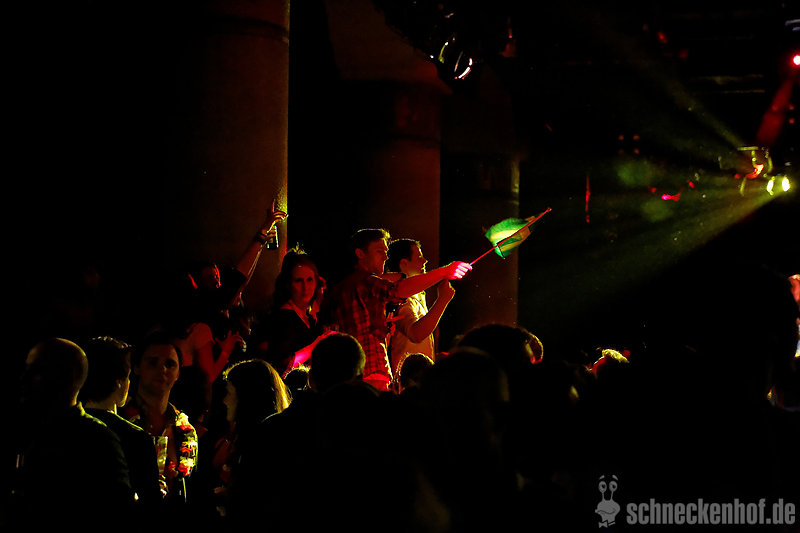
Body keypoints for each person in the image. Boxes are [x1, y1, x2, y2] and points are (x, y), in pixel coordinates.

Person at [318, 228, 472, 391]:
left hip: (358, 375)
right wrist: (444, 273)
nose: (385, 257)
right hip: (370, 373)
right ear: (360, 253)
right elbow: (397, 292)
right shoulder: (364, 282)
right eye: (379, 251)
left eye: (385, 252)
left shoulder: (349, 287)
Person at [9, 338, 134, 531]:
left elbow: (118, 513)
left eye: (36, 371)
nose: (24, 379)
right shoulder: (27, 429)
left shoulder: (97, 441)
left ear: (67, 376)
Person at [194, 359, 291, 524]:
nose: (225, 400)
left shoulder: (262, 447)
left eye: (229, 393)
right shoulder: (255, 440)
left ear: (246, 398)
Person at [80, 336, 163, 509]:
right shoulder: (136, 439)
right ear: (118, 382)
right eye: (128, 376)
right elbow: (151, 506)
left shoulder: (64, 427)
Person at [122, 331, 199, 505]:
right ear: (137, 367)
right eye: (153, 362)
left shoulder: (185, 430)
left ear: (178, 373)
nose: (162, 369)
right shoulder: (120, 418)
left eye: (170, 364)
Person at [250, 249, 333, 377]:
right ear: (288, 284)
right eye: (298, 280)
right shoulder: (284, 318)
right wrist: (317, 343)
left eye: (309, 280)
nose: (305, 287)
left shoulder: (307, 316)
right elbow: (284, 365)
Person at [385, 238, 456, 375]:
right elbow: (416, 334)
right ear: (404, 264)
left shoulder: (417, 296)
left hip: (416, 377)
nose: (425, 261)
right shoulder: (402, 300)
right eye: (419, 257)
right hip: (408, 379)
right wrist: (442, 300)